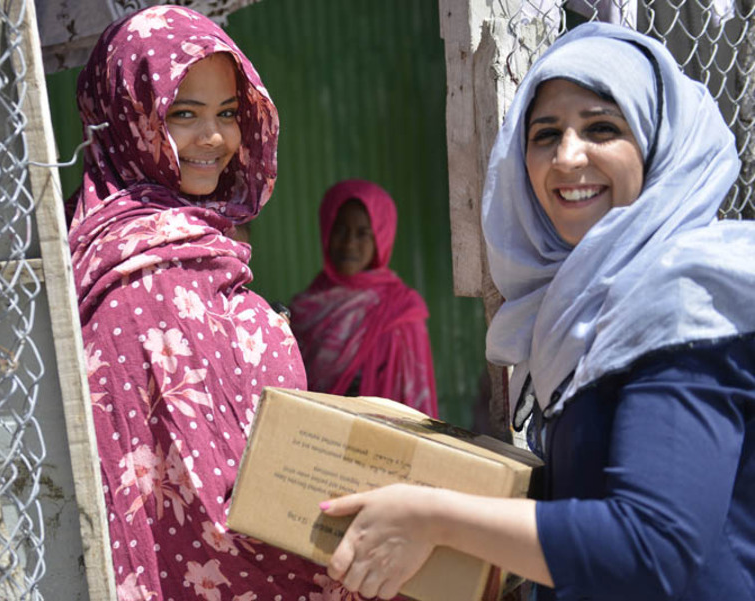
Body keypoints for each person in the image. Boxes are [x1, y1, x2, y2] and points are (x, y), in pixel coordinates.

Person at [319, 22, 755, 601]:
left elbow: (651, 550)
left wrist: (433, 517)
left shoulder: (681, 294)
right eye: (545, 135)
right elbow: (592, 495)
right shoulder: (585, 303)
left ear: (658, 143)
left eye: (603, 128)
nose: (567, 157)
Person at [68, 6, 362, 599]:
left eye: (228, 113)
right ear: (127, 116)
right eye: (184, 114)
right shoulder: (140, 273)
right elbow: (202, 509)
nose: (215, 139)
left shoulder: (174, 243)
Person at [289, 179, 438, 418]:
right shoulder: (303, 310)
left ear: (381, 236)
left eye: (362, 234)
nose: (349, 243)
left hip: (383, 435)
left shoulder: (401, 309)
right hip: (315, 433)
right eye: (340, 230)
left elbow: (414, 401)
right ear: (326, 229)